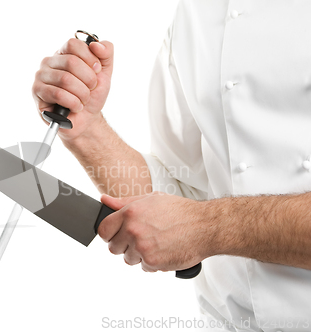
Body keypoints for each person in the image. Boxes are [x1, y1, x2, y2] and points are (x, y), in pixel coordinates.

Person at [31, 1, 311, 331]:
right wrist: (87, 130)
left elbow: (197, 221)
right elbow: (180, 195)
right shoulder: (197, 12)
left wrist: (208, 228)